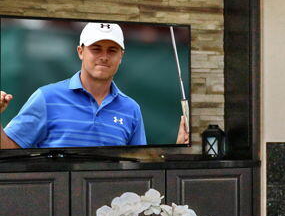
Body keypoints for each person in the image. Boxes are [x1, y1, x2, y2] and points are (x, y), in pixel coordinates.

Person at [0, 23, 167, 149]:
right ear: (80, 51)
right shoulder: (46, 97)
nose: (104, 57)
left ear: (121, 56)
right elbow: (10, 148)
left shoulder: (131, 109)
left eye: (112, 51)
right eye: (96, 49)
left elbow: (140, 163)